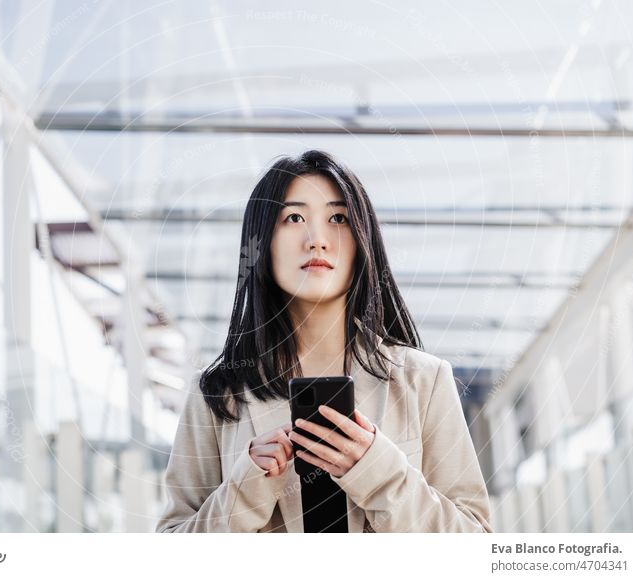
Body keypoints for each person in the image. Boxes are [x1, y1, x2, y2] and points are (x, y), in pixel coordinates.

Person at [155, 150, 492, 533]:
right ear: (262, 240)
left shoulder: (422, 380)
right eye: (294, 218)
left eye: (338, 218)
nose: (317, 240)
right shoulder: (217, 393)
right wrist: (243, 493)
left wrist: (377, 473)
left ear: (363, 240)